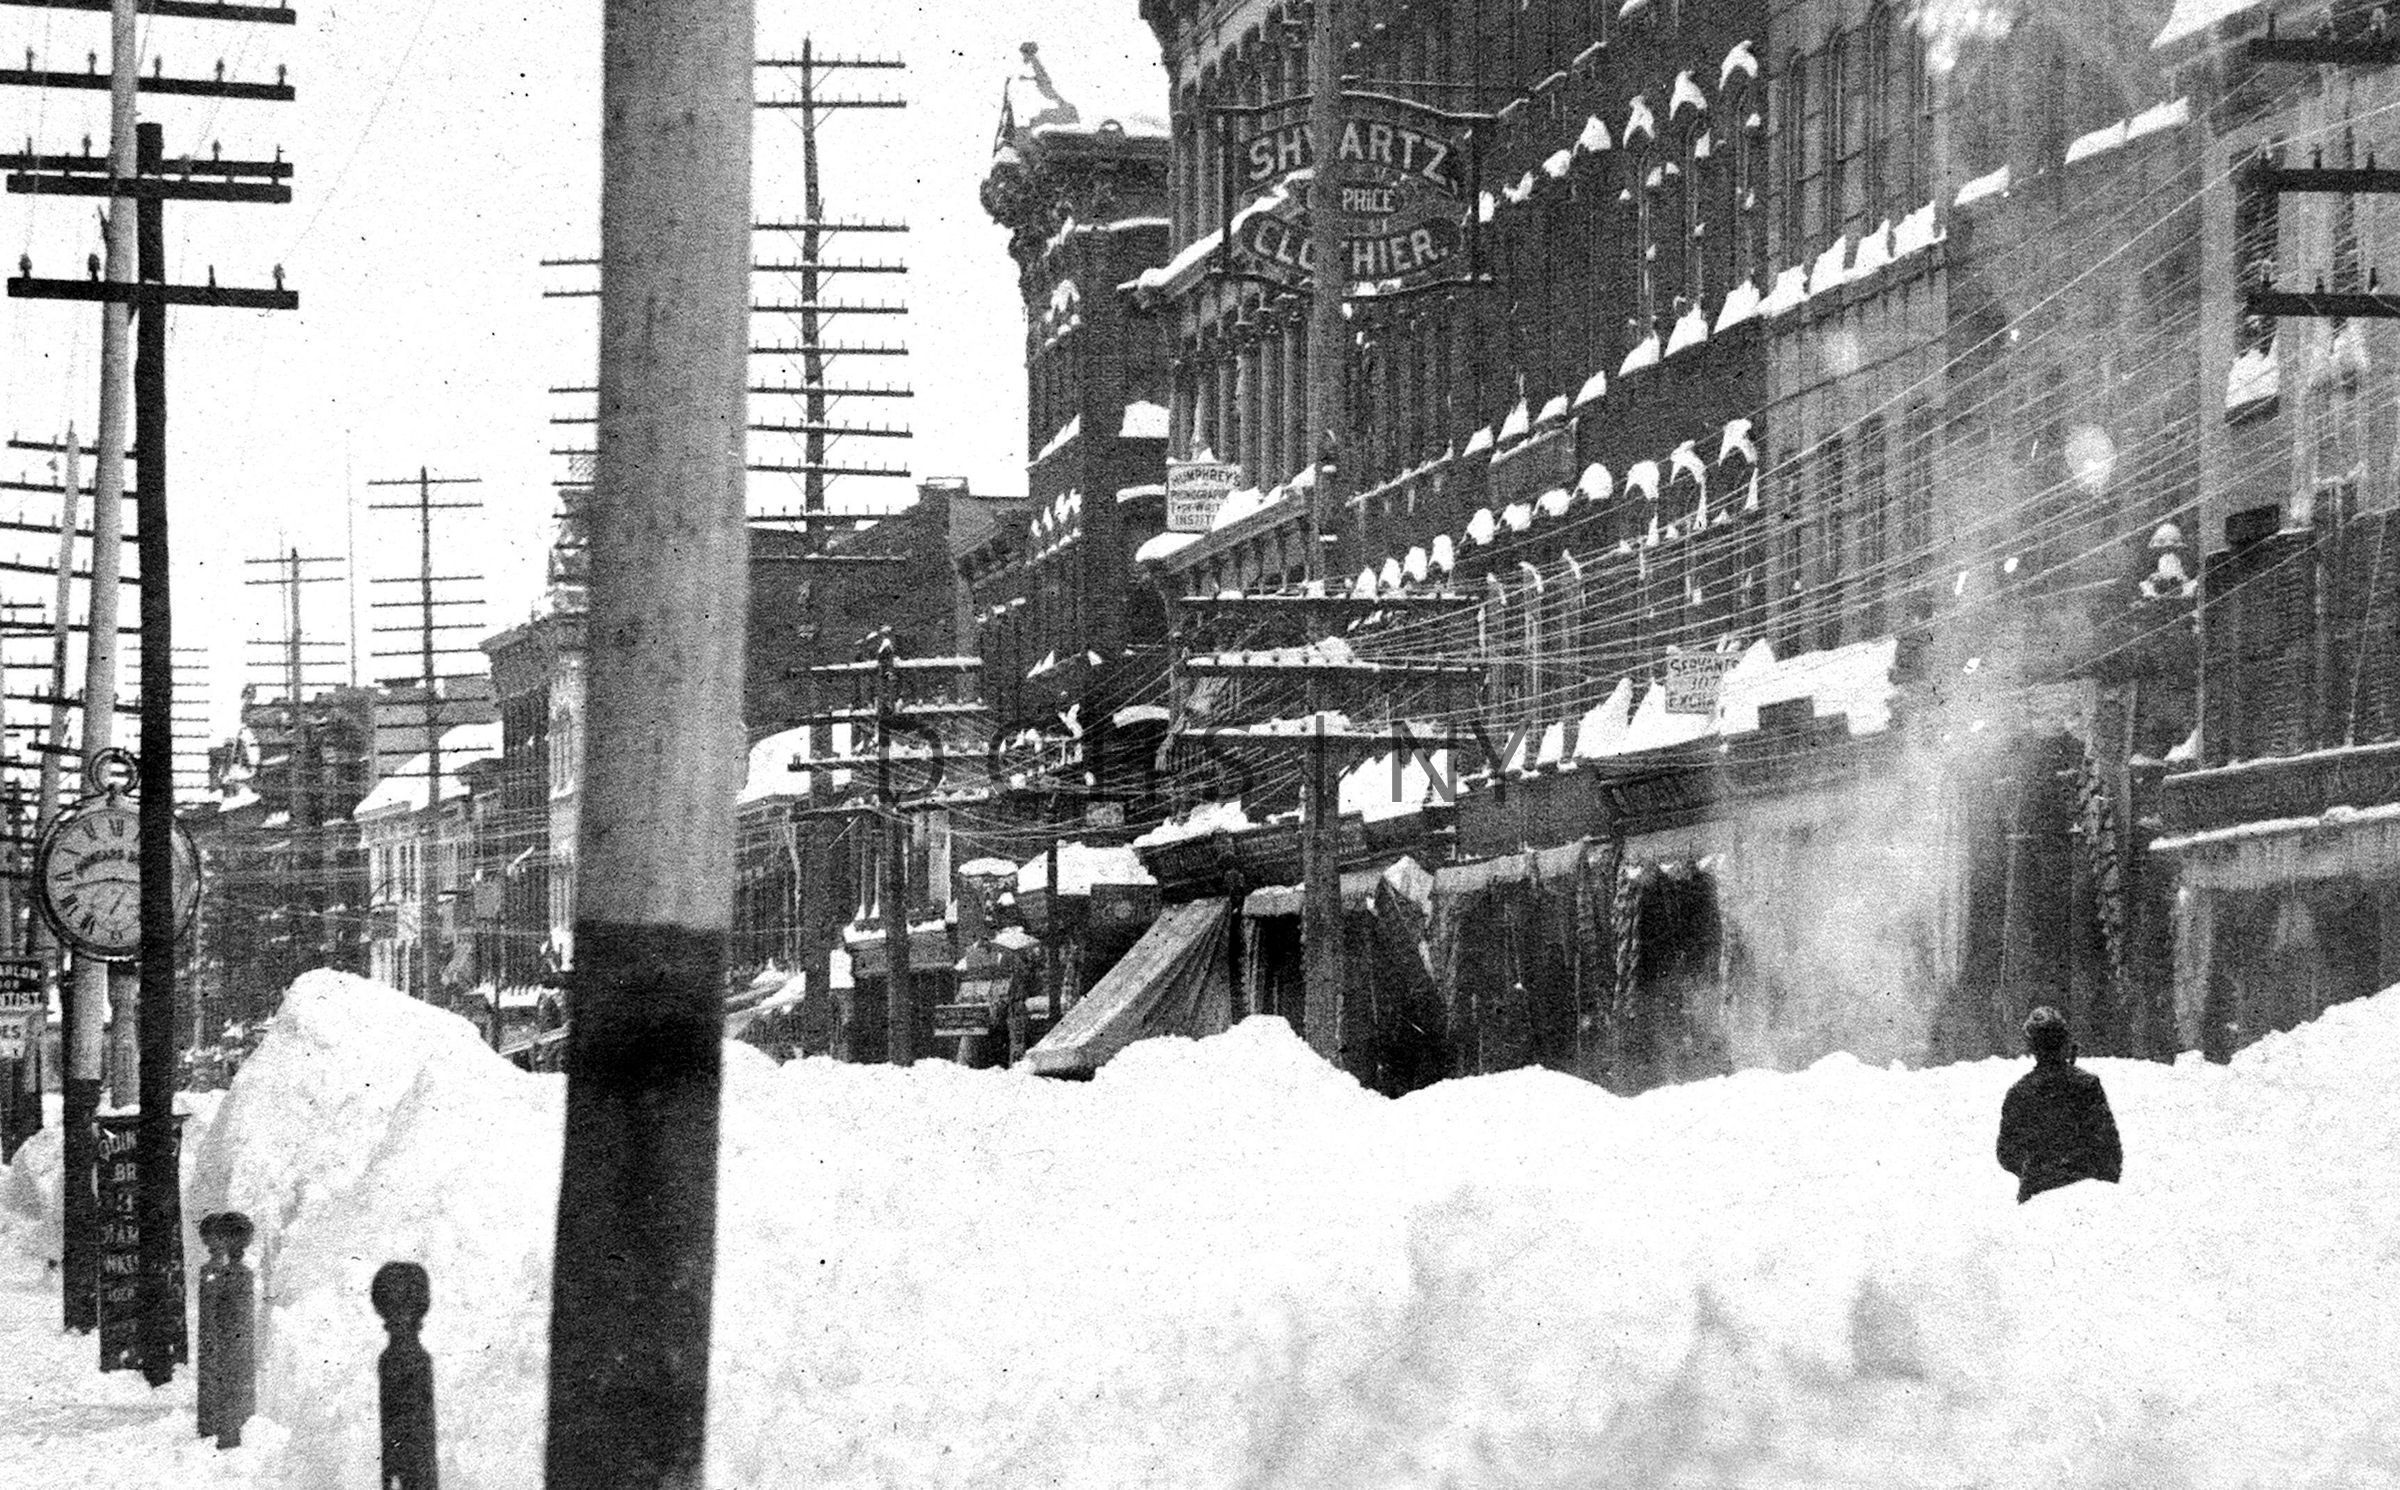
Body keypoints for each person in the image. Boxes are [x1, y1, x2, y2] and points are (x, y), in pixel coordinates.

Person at [1996, 1006, 2123, 1204]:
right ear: (2064, 1042)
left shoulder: (2019, 1093)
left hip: (2038, 1195)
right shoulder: (2087, 1085)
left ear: (2032, 1047)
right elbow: (2109, 1147)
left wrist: (2035, 1170)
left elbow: (2006, 1153)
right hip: (2088, 1194)